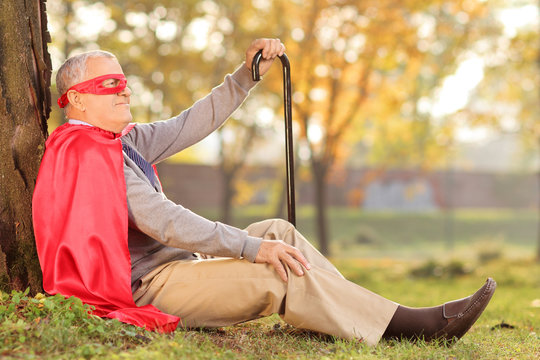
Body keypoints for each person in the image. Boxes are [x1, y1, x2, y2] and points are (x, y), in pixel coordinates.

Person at [33, 38, 496, 345]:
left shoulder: (121, 140)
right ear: (76, 98)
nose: (124, 92)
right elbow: (164, 220)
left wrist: (245, 75)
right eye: (109, 84)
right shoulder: (88, 154)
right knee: (274, 267)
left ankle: (349, 318)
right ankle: (412, 328)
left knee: (280, 231)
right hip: (150, 288)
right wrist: (249, 247)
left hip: (178, 271)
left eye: (124, 82)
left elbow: (189, 125)